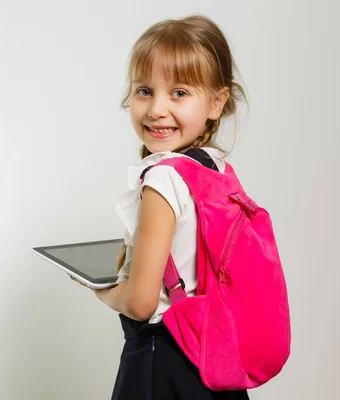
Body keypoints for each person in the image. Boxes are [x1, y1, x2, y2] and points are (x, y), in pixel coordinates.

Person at [85, 15, 252, 399]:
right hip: (216, 359)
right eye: (144, 91)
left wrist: (103, 290)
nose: (157, 109)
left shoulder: (161, 181)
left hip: (163, 363)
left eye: (179, 93)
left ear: (216, 101)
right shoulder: (217, 170)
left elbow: (142, 304)